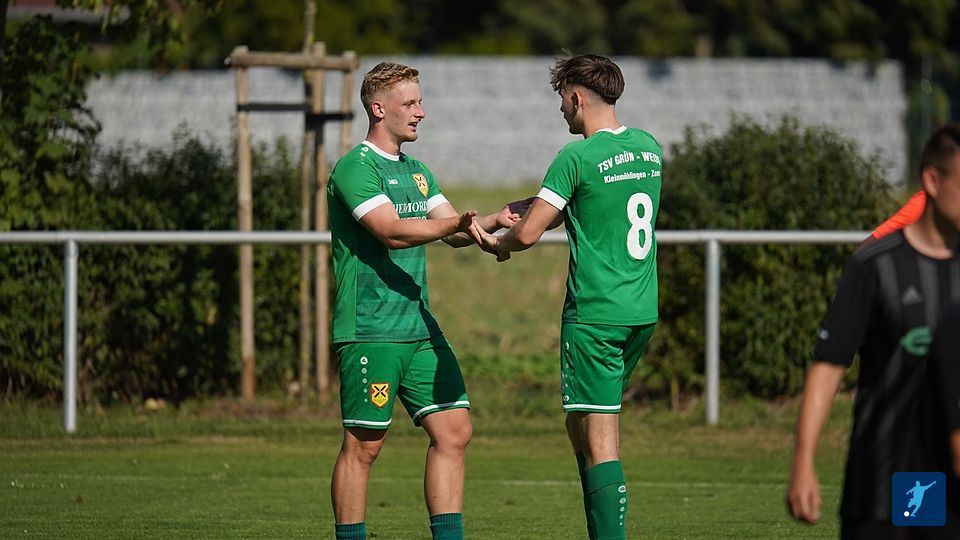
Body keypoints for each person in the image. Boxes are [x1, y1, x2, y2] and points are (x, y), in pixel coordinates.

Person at [327, 61, 524, 540]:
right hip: (371, 328)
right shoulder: (356, 168)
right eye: (410, 103)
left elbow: (451, 230)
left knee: (454, 431)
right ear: (379, 109)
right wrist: (455, 224)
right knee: (364, 446)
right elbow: (391, 231)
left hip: (419, 328)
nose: (421, 112)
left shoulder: (417, 171)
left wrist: (494, 221)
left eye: (421, 102)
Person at [470, 53, 662, 540]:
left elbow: (528, 234)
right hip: (640, 310)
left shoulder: (575, 157)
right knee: (582, 424)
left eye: (561, 98)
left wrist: (498, 244)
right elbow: (588, 202)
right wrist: (541, 205)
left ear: (576, 97)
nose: (560, 109)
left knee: (599, 439)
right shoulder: (648, 148)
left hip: (595, 315)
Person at [786, 123, 960, 539]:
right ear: (932, 181)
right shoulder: (875, 266)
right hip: (884, 474)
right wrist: (803, 460)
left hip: (947, 481)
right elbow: (830, 365)